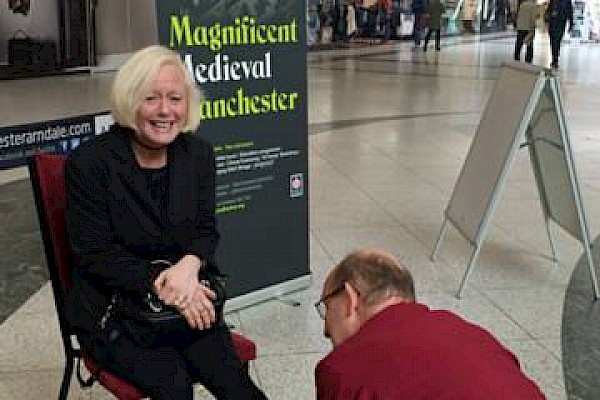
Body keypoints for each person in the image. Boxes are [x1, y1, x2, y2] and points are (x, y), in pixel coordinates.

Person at [64, 45, 268, 400]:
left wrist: (188, 269)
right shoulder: (89, 163)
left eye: (175, 98)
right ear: (129, 100)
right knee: (173, 386)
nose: (165, 111)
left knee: (238, 387)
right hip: (114, 310)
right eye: (151, 98)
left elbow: (205, 230)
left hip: (186, 297)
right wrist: (167, 285)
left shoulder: (198, 155)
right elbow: (95, 255)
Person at [314, 248, 547, 399]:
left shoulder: (343, 372)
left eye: (326, 307)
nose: (326, 330)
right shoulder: (471, 335)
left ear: (350, 298)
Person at [545, 0, 573, 68]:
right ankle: (554, 59)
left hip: (560, 23)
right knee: (553, 41)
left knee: (557, 41)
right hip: (553, 23)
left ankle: (555, 59)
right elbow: (548, 10)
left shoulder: (567, 1)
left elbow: (570, 12)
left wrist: (571, 24)